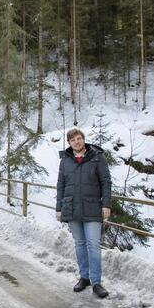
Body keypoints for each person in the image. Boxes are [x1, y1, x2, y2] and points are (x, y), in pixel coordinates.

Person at [56, 128, 112, 299]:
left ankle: (96, 282)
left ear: (83, 140)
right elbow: (61, 185)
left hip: (92, 208)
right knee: (79, 244)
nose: (77, 142)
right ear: (69, 143)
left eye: (79, 138)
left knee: (93, 245)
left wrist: (106, 204)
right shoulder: (65, 161)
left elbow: (106, 182)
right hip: (71, 208)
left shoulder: (96, 157)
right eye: (73, 140)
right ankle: (84, 277)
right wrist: (59, 208)